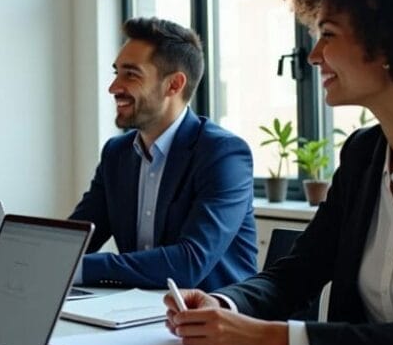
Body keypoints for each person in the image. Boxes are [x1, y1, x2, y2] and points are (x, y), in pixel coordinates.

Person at [165, 0, 393, 345]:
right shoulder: (363, 155)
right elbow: (300, 270)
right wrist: (224, 303)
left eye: (328, 34)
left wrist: (269, 337)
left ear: (386, 40)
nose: (313, 56)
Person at [70, 16, 257, 290]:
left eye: (131, 74)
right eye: (116, 73)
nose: (114, 87)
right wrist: (28, 254)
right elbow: (77, 238)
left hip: (211, 319)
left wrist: (75, 267)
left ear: (174, 85)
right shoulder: (116, 153)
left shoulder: (223, 154)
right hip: (135, 312)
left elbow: (188, 263)